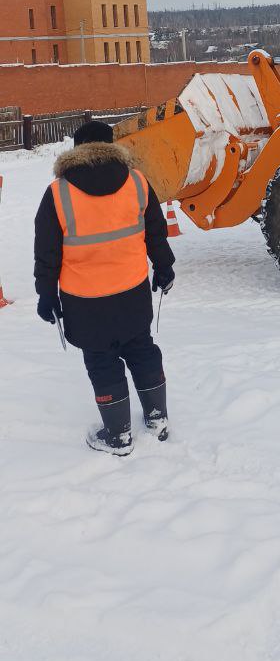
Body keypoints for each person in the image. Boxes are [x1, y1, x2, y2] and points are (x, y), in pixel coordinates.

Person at [34, 120, 176, 457]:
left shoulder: (58, 193)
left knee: (101, 360)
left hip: (85, 301)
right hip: (132, 292)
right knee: (142, 348)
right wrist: (164, 266)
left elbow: (47, 251)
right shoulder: (137, 182)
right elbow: (156, 231)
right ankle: (157, 419)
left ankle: (118, 435)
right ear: (111, 146)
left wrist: (46, 294)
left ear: (77, 149)